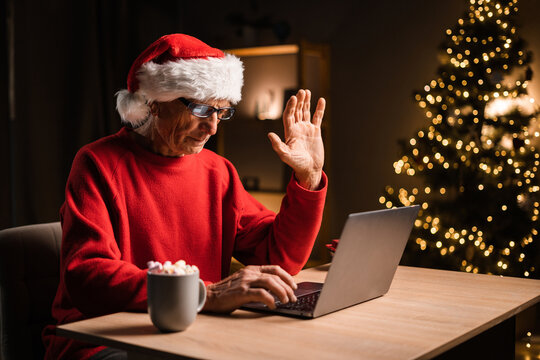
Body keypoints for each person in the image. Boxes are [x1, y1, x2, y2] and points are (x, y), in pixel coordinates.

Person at [43, 33, 327, 360]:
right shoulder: (97, 163)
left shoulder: (218, 171)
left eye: (222, 112)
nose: (213, 128)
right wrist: (203, 294)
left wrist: (309, 177)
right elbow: (87, 275)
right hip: (104, 340)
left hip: (193, 335)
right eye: (201, 108)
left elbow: (280, 260)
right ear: (152, 101)